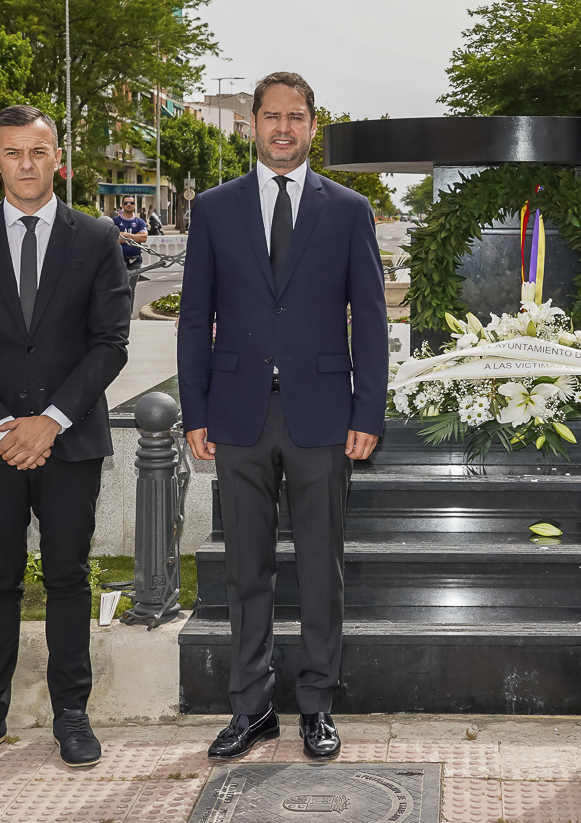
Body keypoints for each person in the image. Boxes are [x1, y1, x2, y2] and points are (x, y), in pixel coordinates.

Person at [177, 72, 387, 762]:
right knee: (246, 570)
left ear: (312, 126)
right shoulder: (214, 208)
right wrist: (195, 408)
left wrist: (368, 409)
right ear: (254, 125)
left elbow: (372, 320)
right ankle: (251, 706)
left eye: (296, 117)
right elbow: (194, 316)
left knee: (322, 567)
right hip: (237, 413)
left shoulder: (349, 210)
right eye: (272, 116)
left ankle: (318, 704)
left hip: (323, 415)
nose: (284, 128)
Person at [0, 105, 131, 771]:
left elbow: (110, 343)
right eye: (13, 152)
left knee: (68, 575)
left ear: (57, 159)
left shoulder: (96, 238)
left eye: (38, 151)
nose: (26, 163)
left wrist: (51, 420)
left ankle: (72, 715)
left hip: (69, 440)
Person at [113, 196, 148, 270]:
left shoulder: (140, 222)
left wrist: (124, 235)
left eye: (131, 203)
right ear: (122, 205)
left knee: (134, 278)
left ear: (135, 205)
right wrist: (136, 236)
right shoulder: (115, 221)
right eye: (126, 203)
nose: (129, 205)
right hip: (118, 259)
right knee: (120, 278)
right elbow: (114, 239)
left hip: (135, 259)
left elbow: (143, 238)